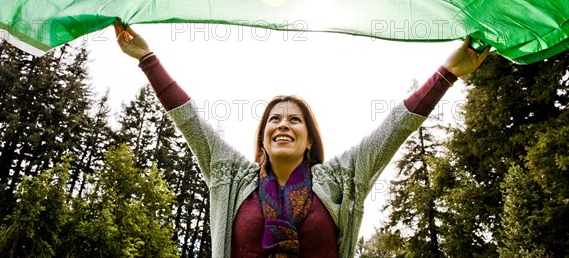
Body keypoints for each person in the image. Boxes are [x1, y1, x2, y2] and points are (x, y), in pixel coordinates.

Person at [114, 20, 489, 258]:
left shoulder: (341, 178)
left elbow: (393, 128)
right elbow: (189, 118)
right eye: (274, 119)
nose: (283, 125)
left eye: (295, 120)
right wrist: (146, 56)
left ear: (309, 139)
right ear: (262, 139)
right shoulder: (229, 175)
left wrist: (447, 74)